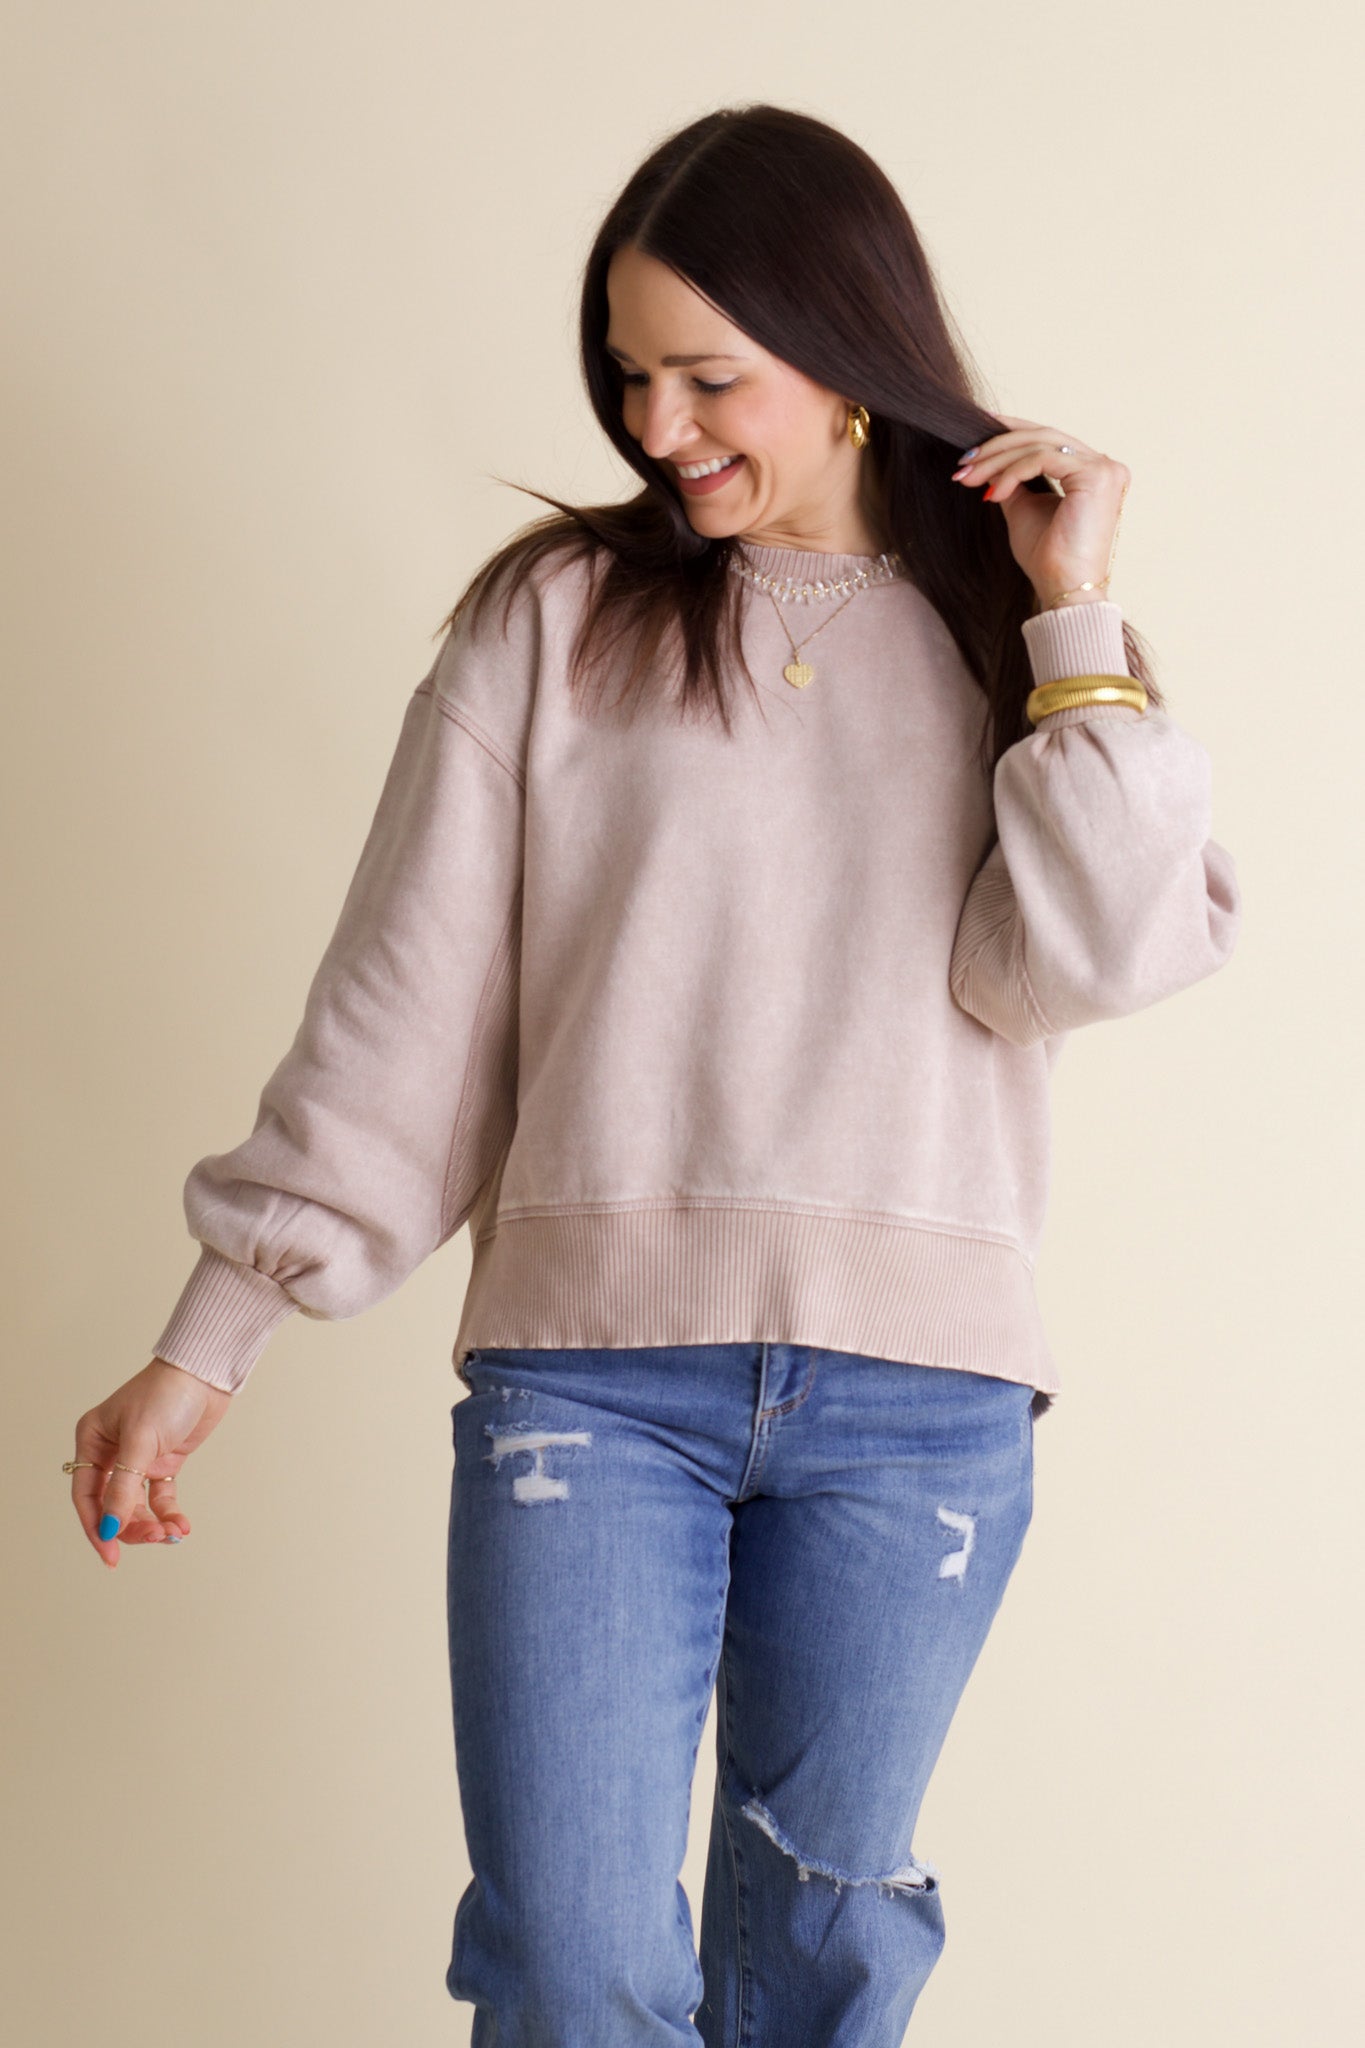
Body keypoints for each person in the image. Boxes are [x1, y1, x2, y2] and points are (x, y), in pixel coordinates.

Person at [66, 103, 1241, 2044]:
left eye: (708, 376)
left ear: (848, 365)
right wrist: (211, 1338)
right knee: (570, 1963)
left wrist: (1073, 609)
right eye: (628, 377)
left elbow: (1094, 957)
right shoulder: (555, 620)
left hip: (917, 1410)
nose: (657, 427)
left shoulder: (1008, 638)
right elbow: (405, 1011)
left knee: (819, 1968)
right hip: (591, 1393)